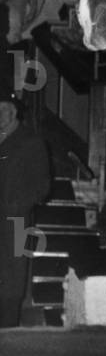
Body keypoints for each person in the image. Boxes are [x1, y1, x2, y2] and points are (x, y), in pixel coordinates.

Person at [0, 89, 51, 326]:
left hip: (16, 219)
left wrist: (18, 205)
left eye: (5, 110)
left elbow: (42, 186)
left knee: (13, 276)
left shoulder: (31, 141)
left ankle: (8, 328)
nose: (0, 115)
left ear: (15, 112)